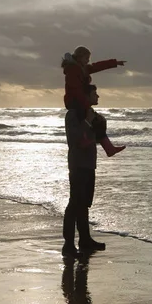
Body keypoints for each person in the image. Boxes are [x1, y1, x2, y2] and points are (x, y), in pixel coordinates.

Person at [62, 84, 107, 257]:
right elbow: (75, 139)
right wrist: (88, 121)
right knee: (75, 203)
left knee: (85, 204)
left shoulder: (90, 114)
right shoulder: (73, 115)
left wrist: (98, 124)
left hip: (89, 164)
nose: (98, 96)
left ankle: (85, 240)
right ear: (86, 96)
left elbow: (93, 138)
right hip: (78, 164)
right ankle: (68, 244)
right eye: (95, 93)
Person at [61, 45, 126, 157]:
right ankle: (85, 140)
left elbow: (97, 66)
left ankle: (109, 148)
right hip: (75, 102)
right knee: (89, 121)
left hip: (81, 101)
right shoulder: (72, 70)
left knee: (99, 121)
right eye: (86, 58)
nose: (88, 61)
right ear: (80, 57)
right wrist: (86, 104)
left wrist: (115, 63)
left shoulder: (82, 68)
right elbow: (75, 90)